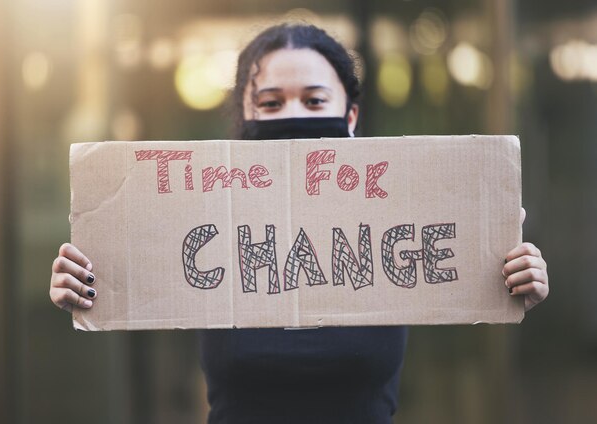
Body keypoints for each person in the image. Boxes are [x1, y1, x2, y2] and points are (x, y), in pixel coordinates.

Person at [50, 23, 549, 423]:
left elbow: (477, 273)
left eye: (314, 101)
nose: (292, 114)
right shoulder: (197, 213)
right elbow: (123, 269)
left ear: (350, 116)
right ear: (245, 117)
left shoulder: (399, 209)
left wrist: (508, 270)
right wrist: (82, 282)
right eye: (270, 102)